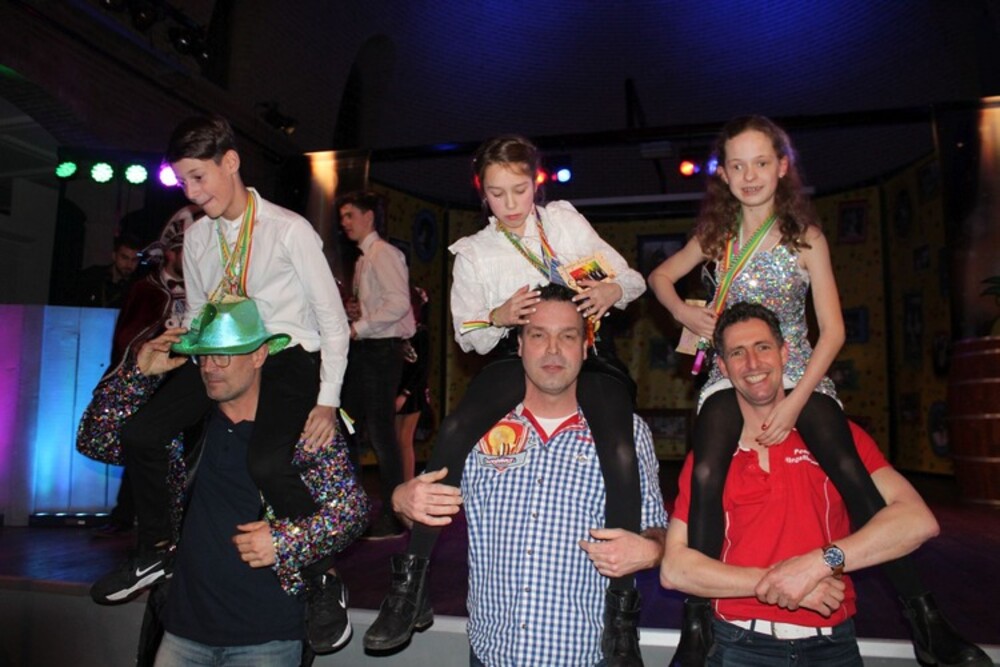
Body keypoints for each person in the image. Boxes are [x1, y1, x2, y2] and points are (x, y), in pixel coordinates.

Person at [648, 115, 990, 667]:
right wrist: (682, 310)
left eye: (761, 163)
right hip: (730, 374)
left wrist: (796, 400)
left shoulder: (805, 237)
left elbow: (833, 331)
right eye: (738, 165)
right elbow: (659, 277)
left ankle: (925, 619)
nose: (750, 175)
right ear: (724, 176)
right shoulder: (715, 238)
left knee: (849, 468)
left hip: (799, 371)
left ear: (782, 168)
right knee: (707, 469)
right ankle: (698, 622)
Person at [364, 135, 648, 663]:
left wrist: (612, 290)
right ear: (483, 193)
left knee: (620, 449)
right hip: (512, 357)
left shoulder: (562, 222)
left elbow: (629, 278)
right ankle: (411, 584)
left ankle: (621, 613)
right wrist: (499, 316)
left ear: (535, 183)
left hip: (587, 352)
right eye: (497, 194)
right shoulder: (475, 252)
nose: (511, 204)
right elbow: (467, 335)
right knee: (454, 431)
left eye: (519, 190)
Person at [90, 115, 353, 655]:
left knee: (267, 462)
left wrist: (327, 401)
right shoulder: (199, 235)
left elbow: (332, 322)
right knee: (141, 433)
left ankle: (322, 578)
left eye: (198, 177)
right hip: (223, 352)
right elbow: (203, 314)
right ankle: (156, 549)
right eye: (182, 181)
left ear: (230, 162)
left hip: (286, 356)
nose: (191, 192)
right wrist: (168, 350)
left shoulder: (288, 229)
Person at [79, 298, 368, 666]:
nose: (210, 367)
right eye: (203, 356)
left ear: (259, 355)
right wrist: (137, 374)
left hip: (267, 637)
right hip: (182, 630)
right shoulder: (185, 432)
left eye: (224, 355)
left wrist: (283, 542)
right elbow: (96, 439)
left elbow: (352, 511)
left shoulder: (301, 432)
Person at [389, 285, 667, 666]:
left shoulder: (628, 433)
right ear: (519, 345)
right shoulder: (476, 429)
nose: (553, 350)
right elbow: (424, 513)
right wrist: (402, 501)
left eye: (567, 336)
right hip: (492, 655)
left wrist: (651, 551)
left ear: (586, 346)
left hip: (585, 657)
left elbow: (658, 531)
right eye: (538, 335)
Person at [659, 302, 943, 666]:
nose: (753, 363)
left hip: (833, 645)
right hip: (738, 645)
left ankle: (926, 620)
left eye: (763, 347)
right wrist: (783, 582)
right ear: (724, 368)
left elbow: (918, 522)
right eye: (737, 353)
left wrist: (818, 564)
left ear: (784, 353)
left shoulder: (839, 438)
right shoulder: (710, 456)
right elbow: (675, 569)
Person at [86, 205, 201, 539]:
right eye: (186, 252)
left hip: (187, 381)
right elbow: (129, 335)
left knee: (187, 453)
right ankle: (126, 516)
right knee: (140, 444)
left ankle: (179, 522)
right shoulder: (146, 289)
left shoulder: (202, 290)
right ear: (170, 253)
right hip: (151, 380)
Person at [338, 191, 415, 539]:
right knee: (346, 422)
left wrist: (360, 326)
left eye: (350, 215)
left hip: (382, 351)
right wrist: (358, 313)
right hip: (368, 350)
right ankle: (355, 507)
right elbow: (382, 305)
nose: (344, 223)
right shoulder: (363, 260)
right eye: (342, 217)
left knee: (381, 432)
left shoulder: (384, 253)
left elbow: (399, 304)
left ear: (369, 217)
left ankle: (393, 515)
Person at [395, 285, 432, 483]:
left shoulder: (421, 334)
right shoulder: (399, 333)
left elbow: (422, 369)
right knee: (395, 441)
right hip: (398, 390)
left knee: (405, 440)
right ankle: (398, 482)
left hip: (413, 394)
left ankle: (408, 482)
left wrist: (405, 394)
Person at [76, 232, 141, 308]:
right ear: (114, 255)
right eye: (124, 258)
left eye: (134, 260)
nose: (129, 264)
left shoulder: (140, 287)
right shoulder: (92, 275)